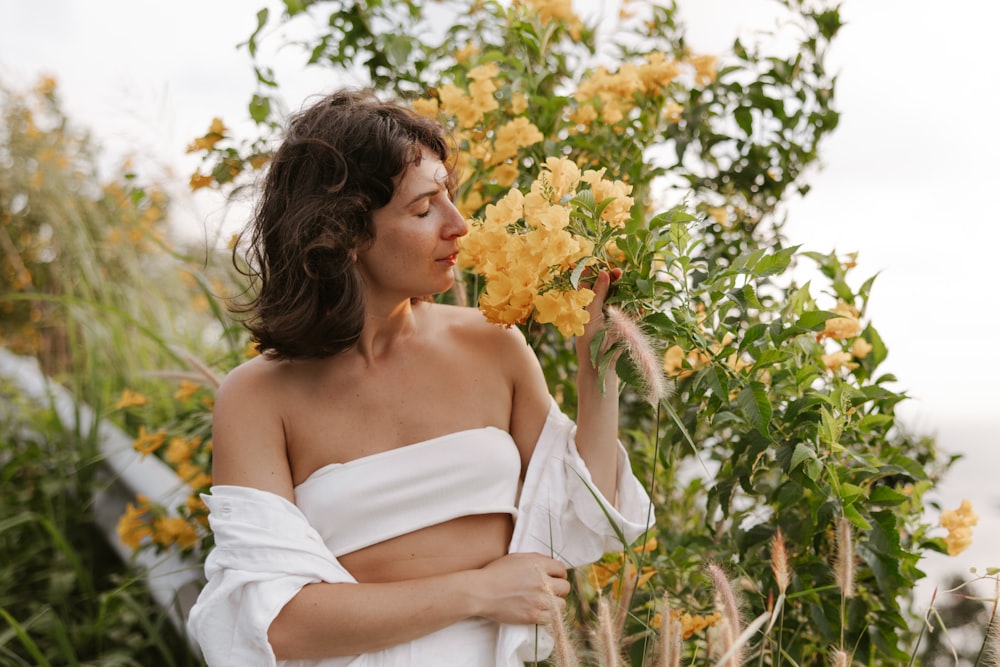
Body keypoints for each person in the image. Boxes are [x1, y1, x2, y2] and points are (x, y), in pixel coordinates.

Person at [187, 89, 653, 666]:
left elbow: (592, 519)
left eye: (449, 197)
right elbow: (275, 625)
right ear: (346, 233)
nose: (458, 225)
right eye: (424, 207)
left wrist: (595, 367)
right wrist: (478, 592)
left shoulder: (494, 346)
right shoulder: (257, 397)